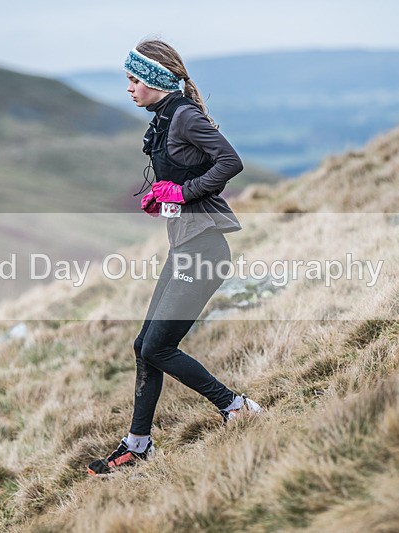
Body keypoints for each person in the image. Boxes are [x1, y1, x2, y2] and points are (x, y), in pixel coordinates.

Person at [87, 40, 262, 478]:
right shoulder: (167, 118)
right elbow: (188, 174)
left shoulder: (183, 115)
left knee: (158, 346)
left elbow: (230, 161)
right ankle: (137, 445)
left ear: (157, 79)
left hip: (203, 250)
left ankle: (236, 406)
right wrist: (162, 199)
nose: (129, 88)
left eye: (134, 79)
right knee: (143, 348)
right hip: (186, 245)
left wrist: (181, 193)